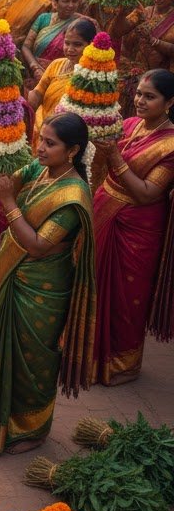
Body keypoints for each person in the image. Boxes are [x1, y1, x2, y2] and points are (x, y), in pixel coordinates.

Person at [0, 113, 96, 454]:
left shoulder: (73, 196)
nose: (40, 148)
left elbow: (39, 245)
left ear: (73, 151)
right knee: (3, 350)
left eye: (50, 144)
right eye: (40, 139)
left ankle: (31, 429)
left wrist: (10, 203)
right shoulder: (39, 170)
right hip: (15, 277)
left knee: (32, 360)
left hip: (43, 292)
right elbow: (6, 178)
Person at [92, 70, 174, 386]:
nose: (139, 100)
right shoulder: (129, 125)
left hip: (137, 229)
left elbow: (146, 194)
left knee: (127, 296)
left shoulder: (170, 146)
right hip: (105, 211)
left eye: (149, 96)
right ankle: (88, 354)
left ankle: (120, 363)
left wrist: (114, 155)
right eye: (139, 93)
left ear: (169, 103)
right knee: (95, 283)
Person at [28, 18, 97, 143]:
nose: (70, 49)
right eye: (67, 43)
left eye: (77, 44)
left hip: (67, 138)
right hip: (40, 129)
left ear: (91, 44)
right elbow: (38, 93)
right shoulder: (56, 64)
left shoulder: (94, 75)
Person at [21, 0, 83, 82]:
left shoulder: (81, 23)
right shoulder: (43, 19)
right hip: (36, 74)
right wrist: (35, 67)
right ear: (55, 3)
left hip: (64, 76)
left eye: (74, 1)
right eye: (66, 1)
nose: (70, 5)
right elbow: (26, 46)